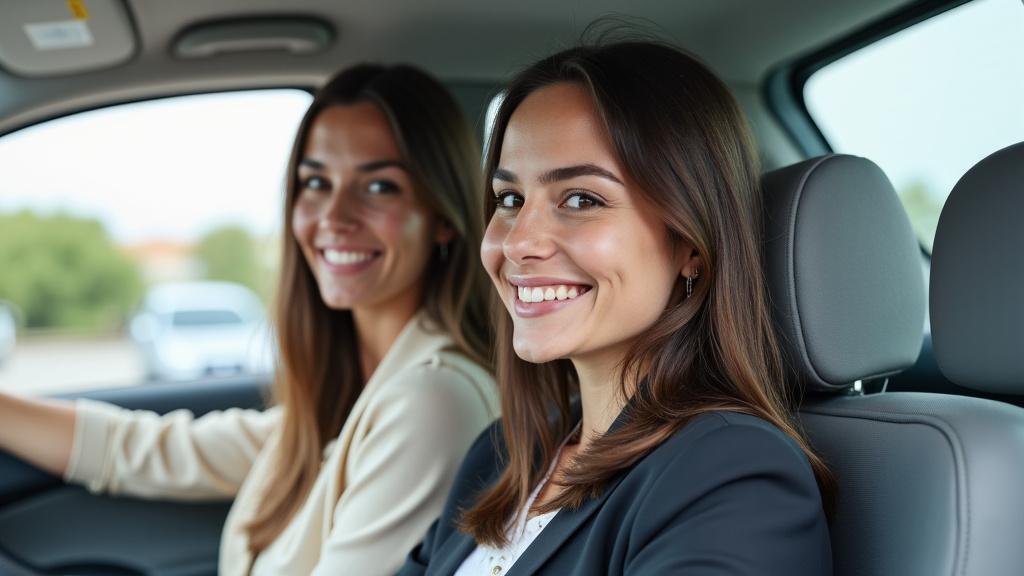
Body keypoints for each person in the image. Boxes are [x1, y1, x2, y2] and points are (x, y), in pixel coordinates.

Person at [0, 64, 498, 576]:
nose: (333, 215)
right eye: (316, 182)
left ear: (442, 216)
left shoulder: (431, 400)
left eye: (379, 187)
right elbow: (144, 451)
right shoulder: (354, 396)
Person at [397, 38, 837, 576]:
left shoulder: (735, 473)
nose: (517, 242)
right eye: (510, 199)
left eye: (582, 199)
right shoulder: (502, 455)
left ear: (691, 246)